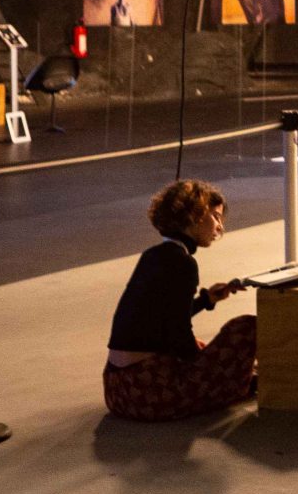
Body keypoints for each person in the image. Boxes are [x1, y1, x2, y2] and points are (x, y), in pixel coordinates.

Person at [103, 180, 256, 421]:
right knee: (247, 328)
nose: (220, 227)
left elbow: (161, 317)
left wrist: (205, 300)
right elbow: (178, 333)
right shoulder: (183, 263)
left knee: (203, 347)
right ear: (195, 215)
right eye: (216, 217)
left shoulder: (153, 255)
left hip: (118, 391)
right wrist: (208, 366)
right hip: (150, 392)